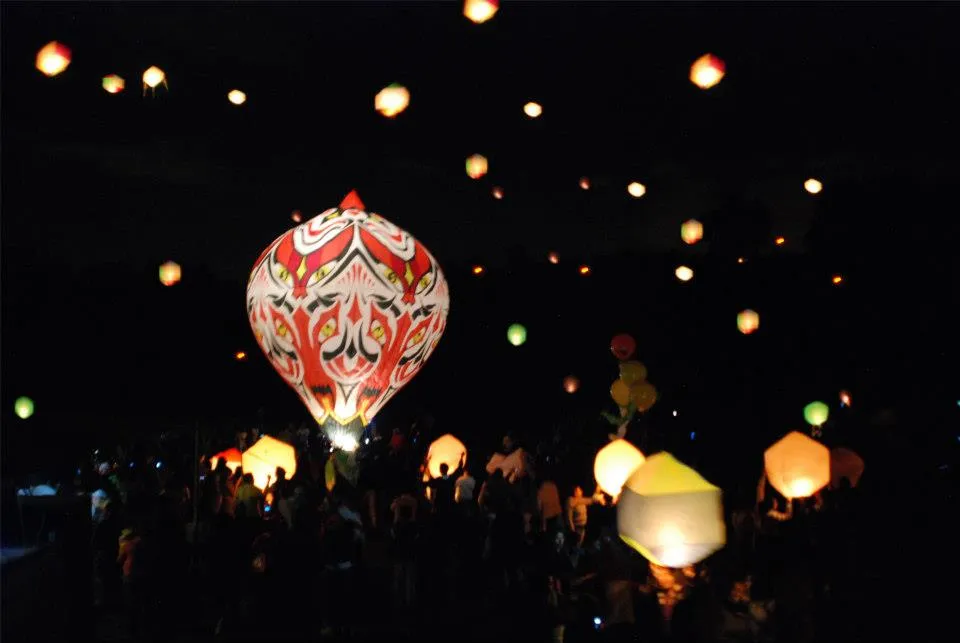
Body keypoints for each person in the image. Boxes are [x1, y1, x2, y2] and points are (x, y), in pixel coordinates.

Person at [425, 451, 465, 519]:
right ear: (447, 469)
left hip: (440, 506)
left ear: (440, 470)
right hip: (450, 504)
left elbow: (429, 482)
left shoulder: (439, 480)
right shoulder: (451, 478)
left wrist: (427, 462)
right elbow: (459, 468)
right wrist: (461, 457)